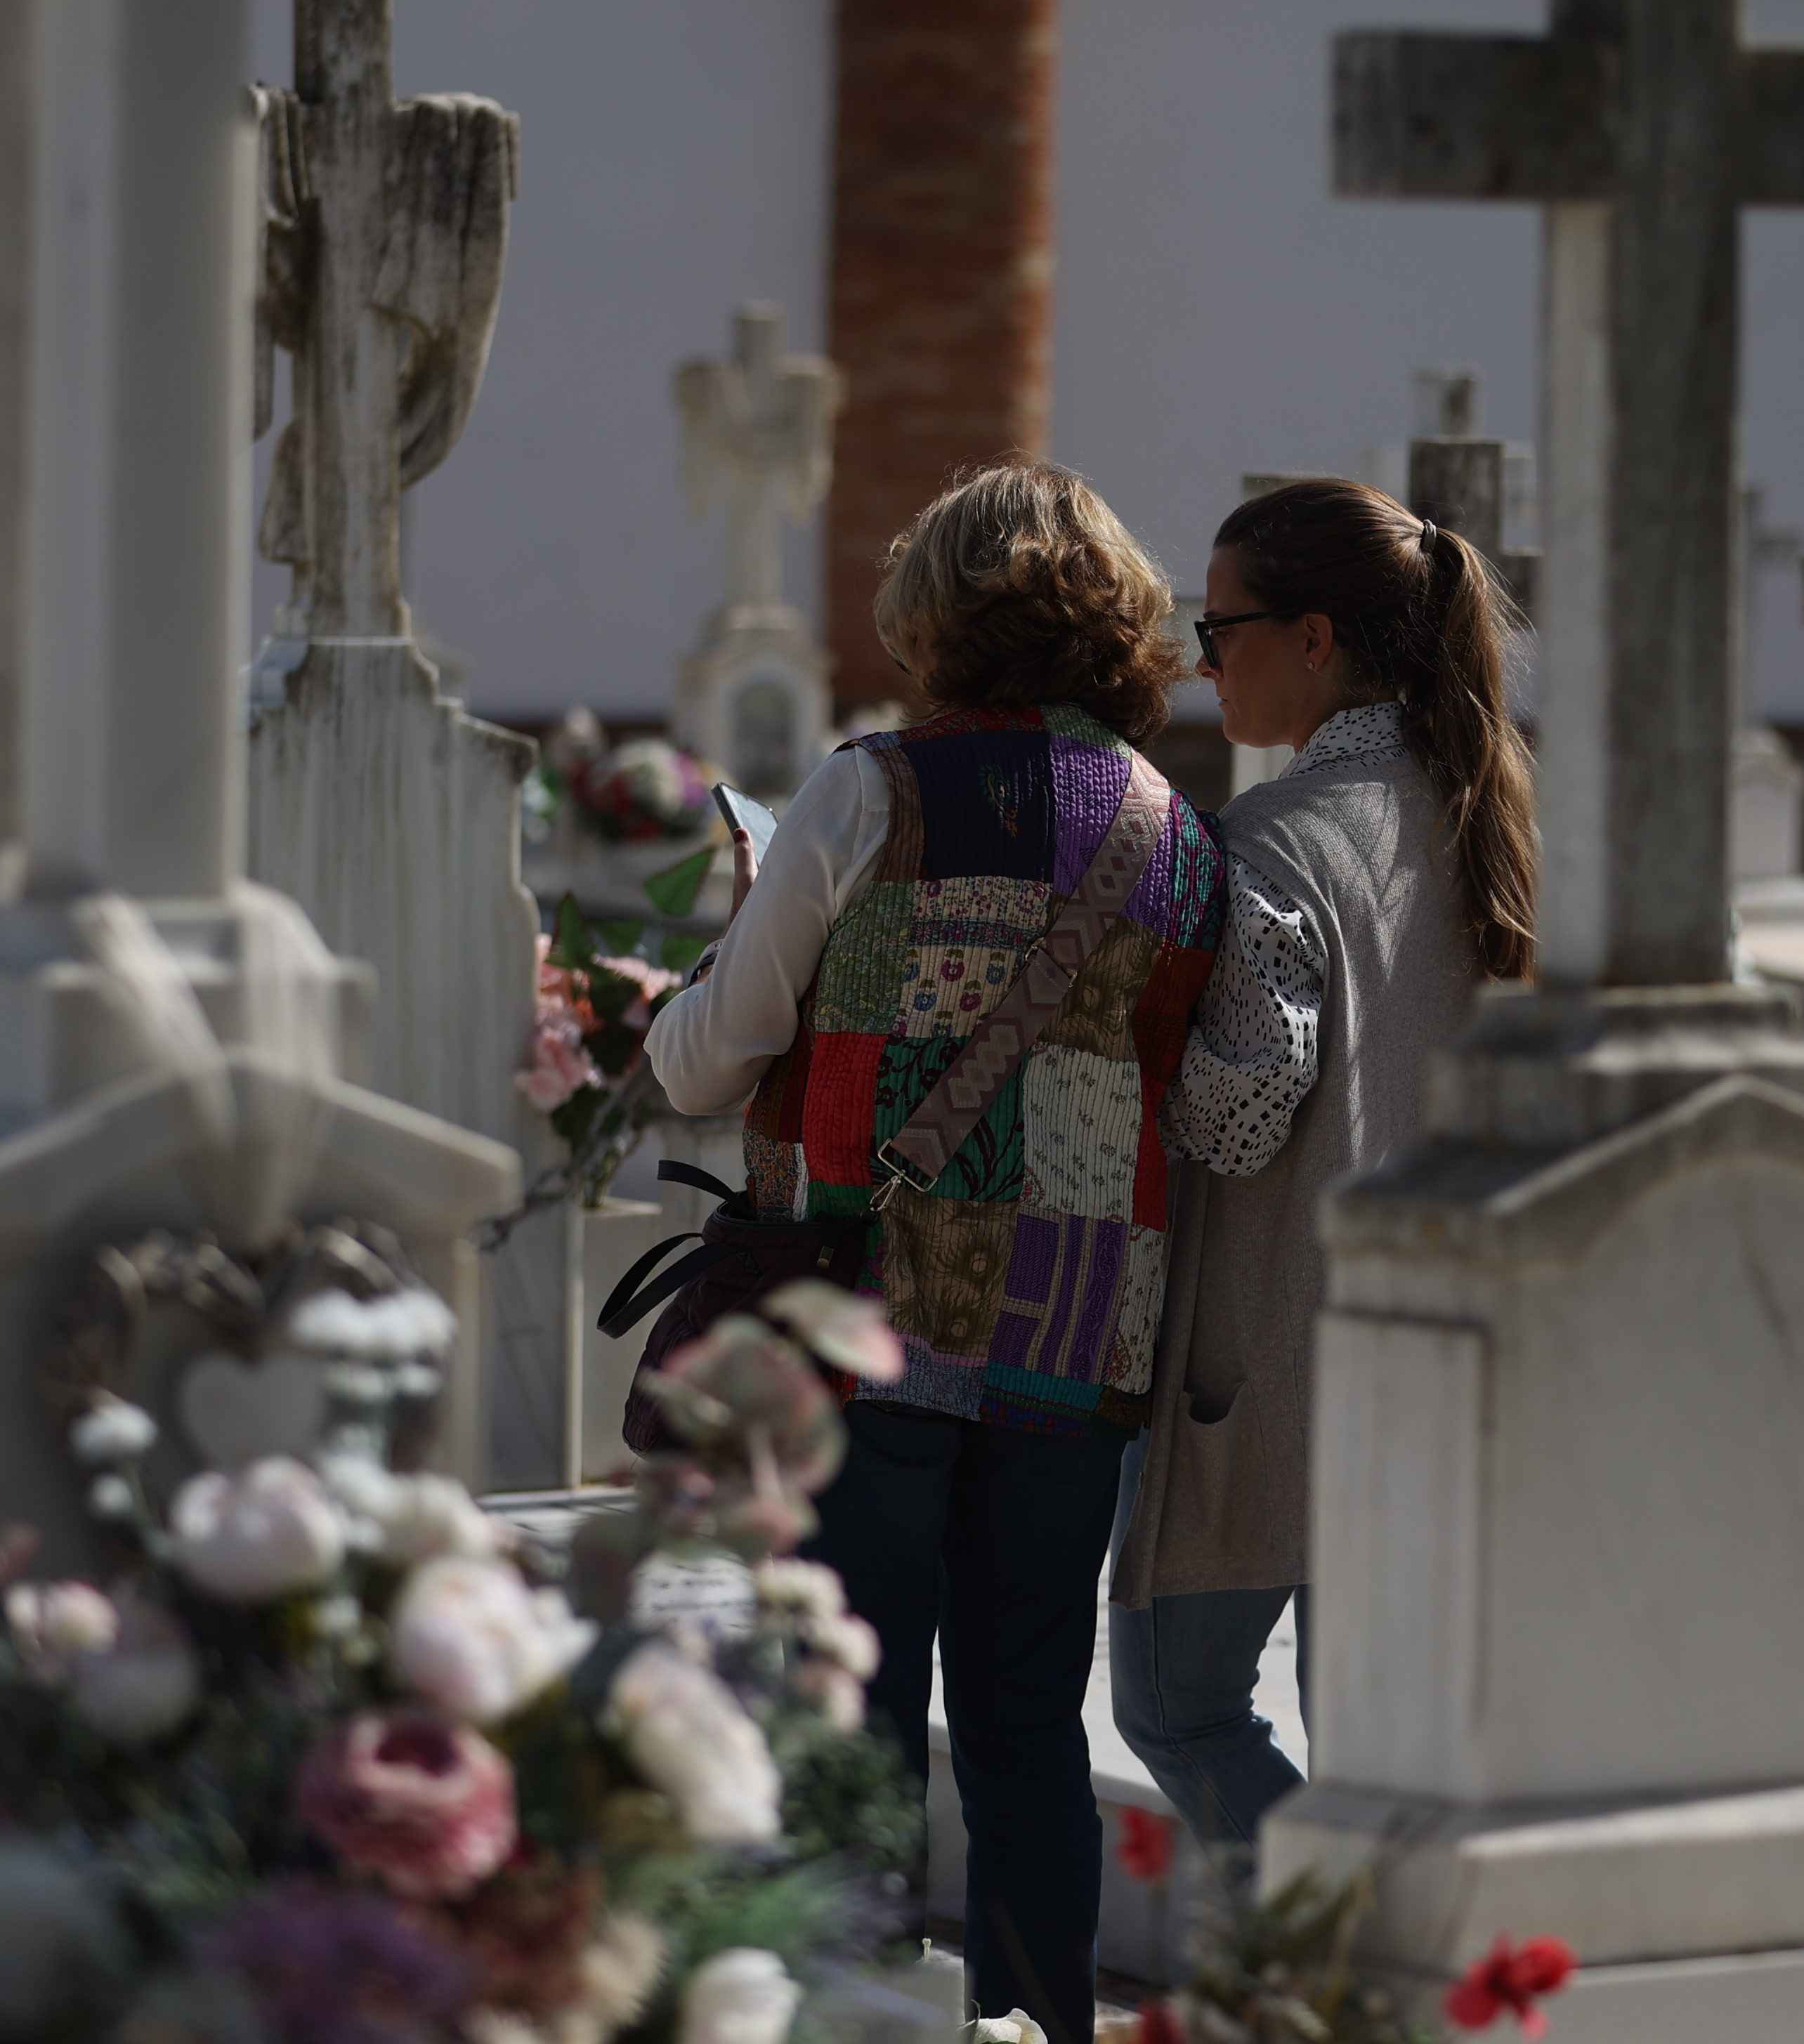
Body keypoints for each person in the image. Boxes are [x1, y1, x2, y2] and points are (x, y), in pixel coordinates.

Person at [645, 462, 1228, 2044]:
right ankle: (1042, 2023)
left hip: (870, 1308)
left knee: (853, 1711)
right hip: (1080, 1322)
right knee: (1032, 1724)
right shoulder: (1179, 833)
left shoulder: (867, 792)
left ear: (935, 618)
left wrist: (666, 1005)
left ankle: (843, 2019)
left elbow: (716, 1055)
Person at [1109, 476, 1538, 1851]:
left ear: (1312, 638)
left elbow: (1244, 1115)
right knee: (1375, 1746)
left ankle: (1348, 1972)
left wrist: (1109, 1044)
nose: (1193, 653)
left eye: (1216, 623)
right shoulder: (1492, 822)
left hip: (1273, 1361)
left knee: (1179, 1710)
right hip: (1443, 1357)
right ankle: (1390, 1976)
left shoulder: (1281, 842)